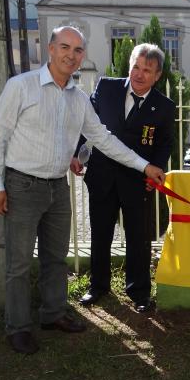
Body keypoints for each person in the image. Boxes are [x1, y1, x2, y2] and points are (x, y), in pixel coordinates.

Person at [0, 26, 165, 355]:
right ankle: (18, 327)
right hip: (22, 184)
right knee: (20, 263)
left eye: (78, 50)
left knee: (55, 260)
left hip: (56, 187)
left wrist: (144, 166)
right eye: (65, 47)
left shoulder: (79, 99)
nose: (71, 55)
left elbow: (104, 139)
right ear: (50, 49)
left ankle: (52, 314)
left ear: (83, 57)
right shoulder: (20, 87)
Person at [72, 44, 175, 314]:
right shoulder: (106, 88)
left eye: (147, 70)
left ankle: (139, 292)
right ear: (129, 66)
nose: (139, 75)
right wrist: (76, 154)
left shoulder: (164, 107)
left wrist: (157, 169)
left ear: (157, 75)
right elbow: (87, 125)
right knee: (101, 234)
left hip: (136, 181)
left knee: (138, 238)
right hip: (101, 175)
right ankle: (98, 286)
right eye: (136, 67)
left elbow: (165, 144)